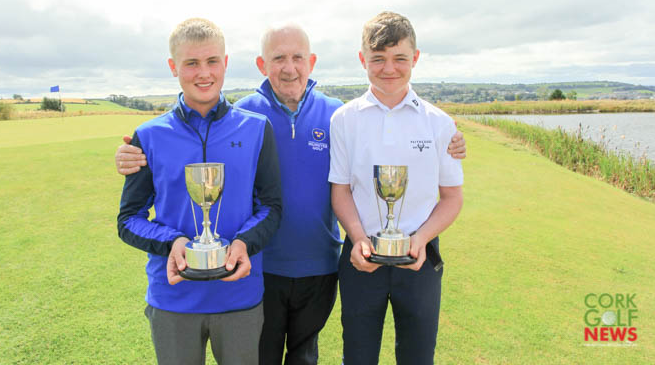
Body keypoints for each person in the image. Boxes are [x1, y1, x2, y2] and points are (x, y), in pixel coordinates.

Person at [115, 24, 467, 365]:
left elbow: (378, 142)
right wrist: (130, 155)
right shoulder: (246, 115)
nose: (289, 67)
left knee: (305, 356)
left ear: (311, 62)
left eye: (298, 57)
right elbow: (188, 152)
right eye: (278, 58)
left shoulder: (337, 114)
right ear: (261, 64)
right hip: (261, 268)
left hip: (319, 266)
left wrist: (449, 141)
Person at [117, 17, 282, 365]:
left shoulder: (256, 129)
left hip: (239, 297)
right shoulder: (149, 135)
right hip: (173, 297)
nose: (203, 73)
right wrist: (172, 242)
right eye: (191, 63)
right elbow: (128, 219)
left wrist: (243, 243)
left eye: (212, 61)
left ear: (225, 62)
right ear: (173, 66)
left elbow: (271, 206)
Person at [329, 11, 464, 365]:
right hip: (361, 256)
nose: (389, 68)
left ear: (415, 58)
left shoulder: (440, 123)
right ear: (363, 60)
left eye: (400, 58)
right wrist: (358, 238)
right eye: (378, 59)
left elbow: (452, 198)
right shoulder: (344, 119)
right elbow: (340, 191)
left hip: (420, 258)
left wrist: (420, 239)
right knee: (357, 358)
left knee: (417, 358)